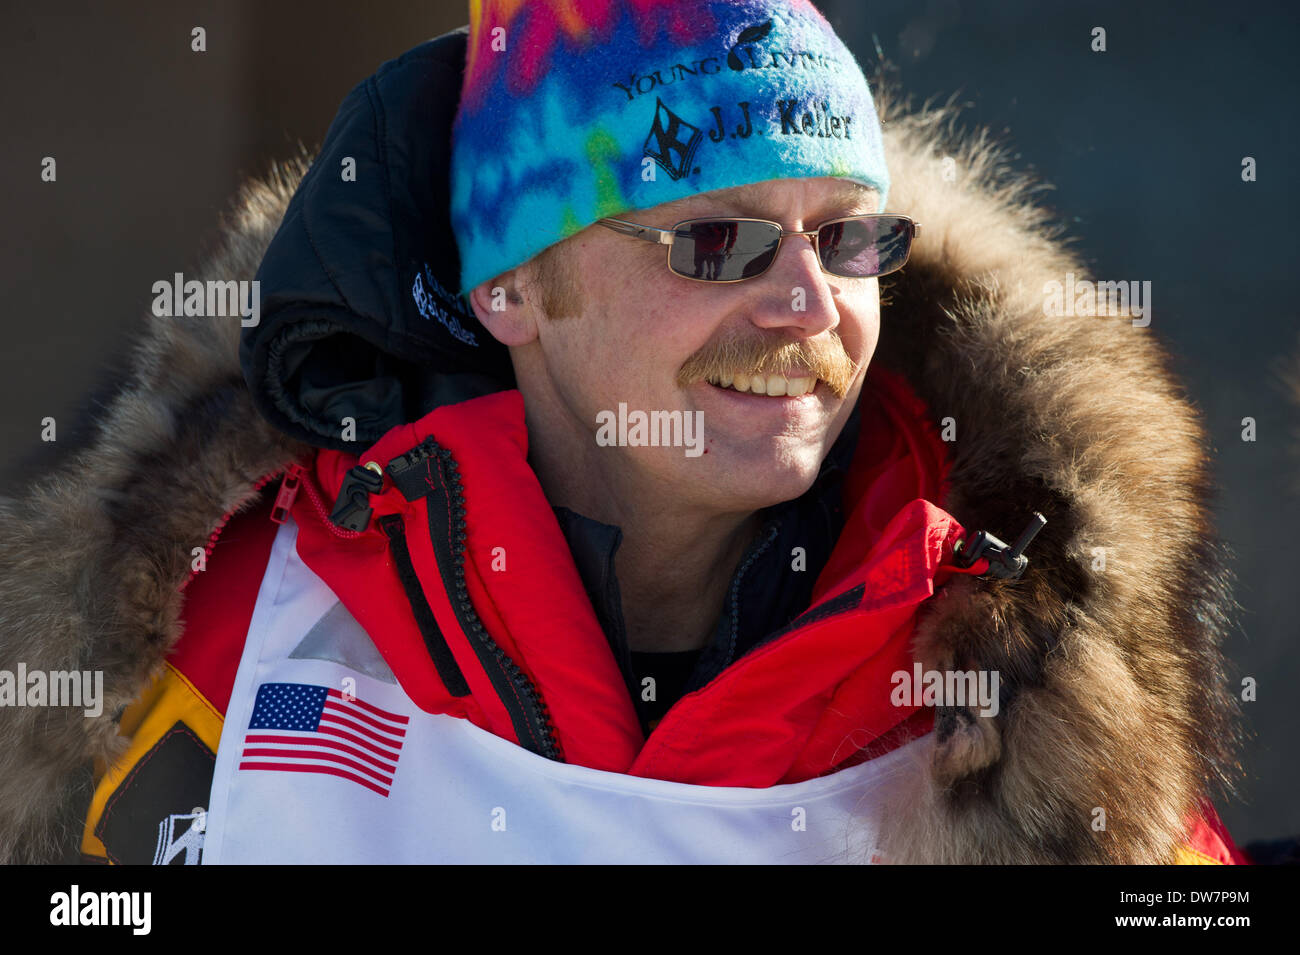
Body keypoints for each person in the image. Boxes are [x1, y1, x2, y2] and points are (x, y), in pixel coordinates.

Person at [0, 0, 1247, 864]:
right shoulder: (209, 623)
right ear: (512, 287)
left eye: (849, 238)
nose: (810, 306)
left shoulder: (1010, 684)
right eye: (718, 241)